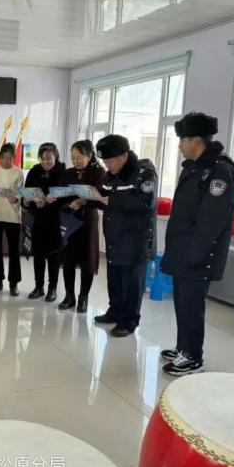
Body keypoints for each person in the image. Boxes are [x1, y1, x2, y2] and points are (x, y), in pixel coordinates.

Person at [160, 112, 234, 376]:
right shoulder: (195, 167)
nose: (179, 145)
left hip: (198, 255)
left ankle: (193, 357)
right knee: (182, 303)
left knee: (191, 306)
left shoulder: (220, 172)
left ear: (196, 140)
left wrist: (194, 255)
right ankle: (183, 348)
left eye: (182, 140)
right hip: (184, 251)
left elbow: (212, 221)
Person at [92, 135, 157, 337]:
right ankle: (115, 311)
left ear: (124, 156)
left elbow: (144, 204)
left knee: (132, 282)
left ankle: (129, 321)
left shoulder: (144, 174)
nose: (108, 166)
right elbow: (102, 197)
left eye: (111, 161)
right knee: (115, 280)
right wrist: (87, 199)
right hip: (114, 237)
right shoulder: (110, 175)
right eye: (105, 162)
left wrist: (109, 201)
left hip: (134, 240)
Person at [57, 140, 106, 312]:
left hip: (87, 222)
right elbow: (60, 193)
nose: (75, 161)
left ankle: (83, 297)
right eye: (73, 158)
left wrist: (83, 201)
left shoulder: (99, 172)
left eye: (79, 157)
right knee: (68, 260)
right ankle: (69, 296)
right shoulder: (68, 173)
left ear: (89, 156)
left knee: (87, 261)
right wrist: (56, 197)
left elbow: (101, 197)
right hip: (70, 220)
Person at [24, 142, 65, 302]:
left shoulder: (62, 172)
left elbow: (66, 196)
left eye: (49, 158)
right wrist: (32, 201)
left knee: (54, 255)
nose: (46, 161)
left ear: (56, 157)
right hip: (38, 219)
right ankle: (38, 287)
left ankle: (52, 288)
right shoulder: (34, 171)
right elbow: (27, 193)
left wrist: (50, 201)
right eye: (42, 158)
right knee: (39, 254)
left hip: (56, 220)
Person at [0, 143, 24, 296]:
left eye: (9, 159)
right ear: (0, 157)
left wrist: (16, 199)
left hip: (12, 215)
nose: (6, 162)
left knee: (14, 250)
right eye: (4, 158)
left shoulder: (19, 172)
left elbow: (20, 193)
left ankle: (14, 283)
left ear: (14, 158)